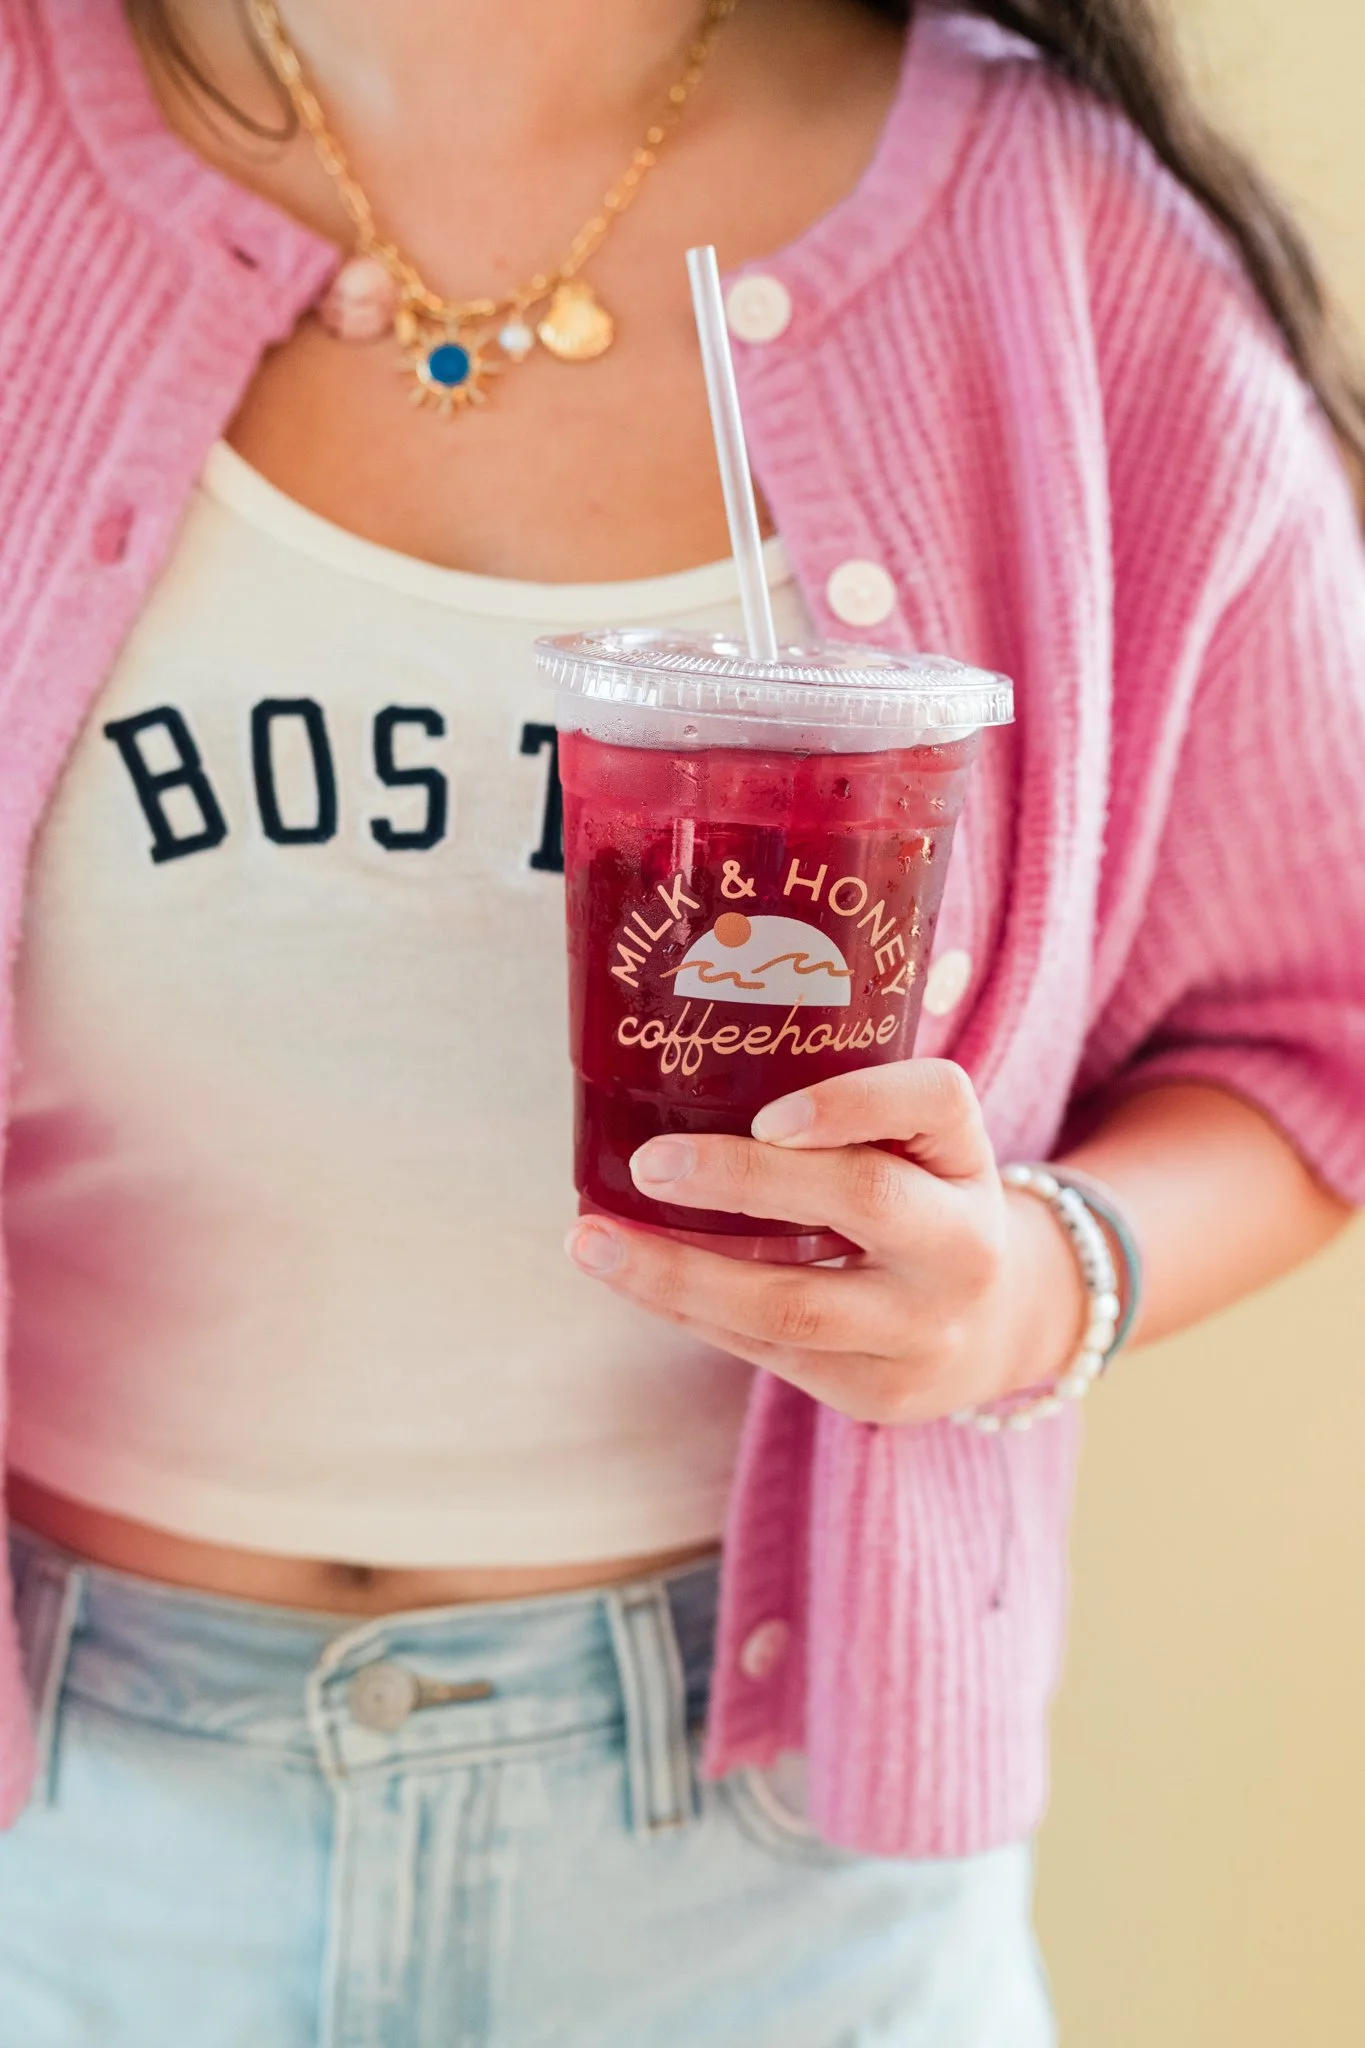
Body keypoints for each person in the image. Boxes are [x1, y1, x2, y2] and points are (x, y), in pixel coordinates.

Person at [0, 0, 1362, 2039]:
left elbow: (1317, 1027)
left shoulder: (1049, 238)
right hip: (63, 1841)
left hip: (764, 1887)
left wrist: (1027, 1291)